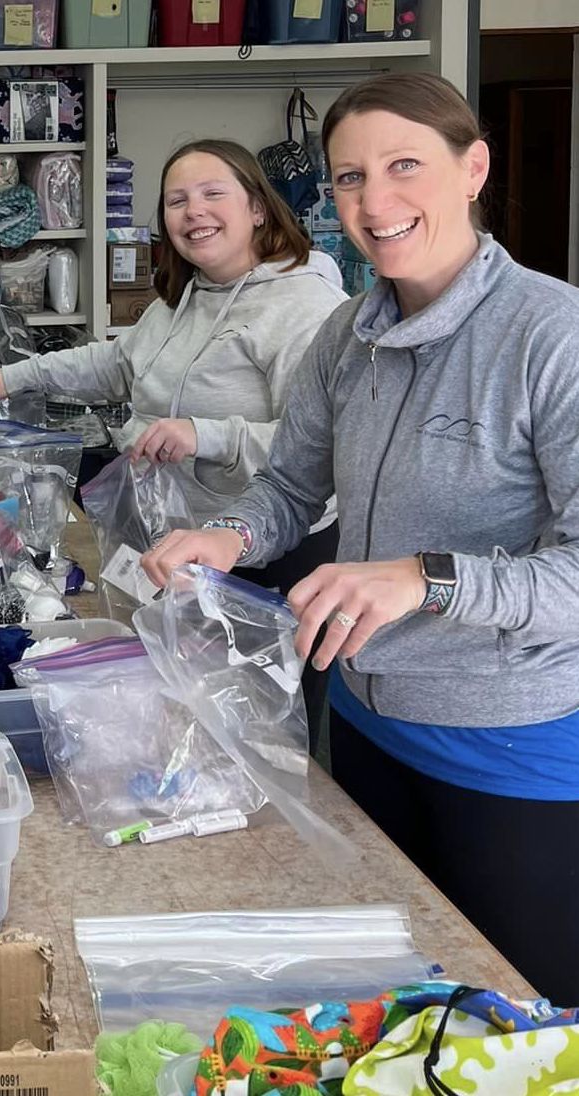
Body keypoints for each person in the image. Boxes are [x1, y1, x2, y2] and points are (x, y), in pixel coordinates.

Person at [142, 73, 579, 1003]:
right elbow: (290, 488)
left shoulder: (552, 335)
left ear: (473, 169)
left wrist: (427, 578)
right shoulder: (347, 336)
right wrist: (226, 535)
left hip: (511, 750)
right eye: (349, 178)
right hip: (367, 733)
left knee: (522, 1021)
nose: (375, 203)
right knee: (397, 1009)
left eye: (404, 166)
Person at [0, 139, 347, 594]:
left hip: (265, 555)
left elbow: (318, 449)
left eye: (213, 193)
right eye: (177, 201)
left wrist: (204, 435)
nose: (194, 211)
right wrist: (18, 375)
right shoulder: (182, 297)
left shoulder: (306, 307)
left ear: (258, 209)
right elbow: (117, 364)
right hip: (170, 538)